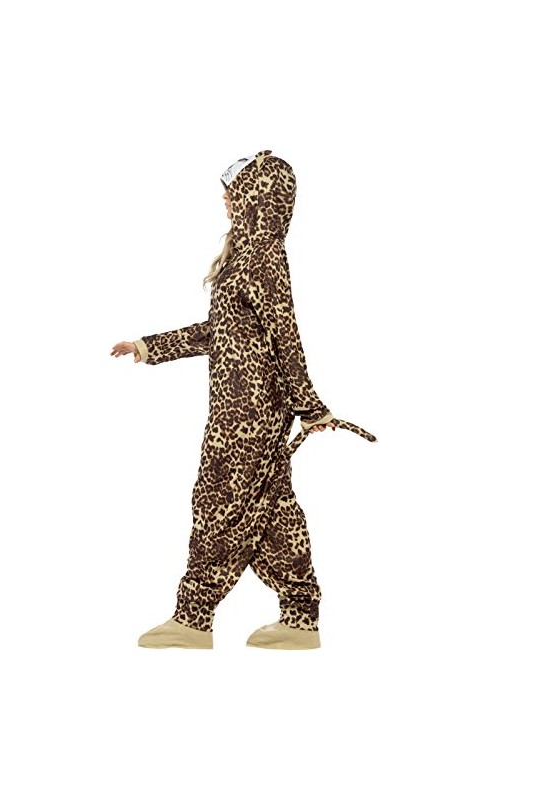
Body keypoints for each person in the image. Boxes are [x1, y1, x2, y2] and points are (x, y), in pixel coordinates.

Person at [111, 149, 375, 649]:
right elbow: (221, 332)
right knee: (273, 511)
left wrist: (311, 406)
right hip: (243, 409)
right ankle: (301, 619)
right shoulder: (246, 256)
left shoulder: (262, 257)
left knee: (218, 504)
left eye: (232, 191)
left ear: (255, 196)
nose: (225, 200)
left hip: (248, 416)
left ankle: (192, 619)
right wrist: (148, 347)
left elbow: (285, 337)